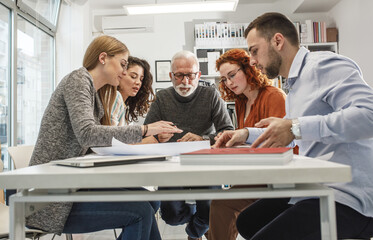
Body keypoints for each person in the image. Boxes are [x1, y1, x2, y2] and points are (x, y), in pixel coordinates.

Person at [214, 12, 373, 240]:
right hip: (315, 188)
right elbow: (291, 129)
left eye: (255, 50)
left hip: (349, 198)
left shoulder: (323, 65)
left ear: (278, 41)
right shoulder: (295, 86)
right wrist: (246, 133)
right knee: (247, 222)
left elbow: (369, 115)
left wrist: (295, 127)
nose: (252, 60)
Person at [27, 35, 182, 240]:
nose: (125, 72)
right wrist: (144, 130)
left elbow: (91, 139)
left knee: (150, 201)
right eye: (123, 64)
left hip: (70, 185)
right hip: (49, 198)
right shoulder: (78, 80)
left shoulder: (93, 93)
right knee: (141, 213)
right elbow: (87, 133)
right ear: (103, 58)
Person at [144, 50, 234, 240]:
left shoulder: (211, 95)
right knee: (171, 215)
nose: (185, 81)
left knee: (211, 210)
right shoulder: (162, 98)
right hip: (171, 165)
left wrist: (203, 139)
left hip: (205, 163)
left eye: (190, 75)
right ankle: (193, 214)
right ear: (171, 76)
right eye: (179, 75)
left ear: (198, 75)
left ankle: (194, 233)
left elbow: (227, 130)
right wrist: (158, 135)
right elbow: (147, 131)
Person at [207, 48, 287, 240]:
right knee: (219, 206)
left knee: (221, 205)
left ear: (249, 69)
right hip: (255, 172)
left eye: (232, 75)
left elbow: (280, 144)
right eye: (225, 79)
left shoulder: (273, 96)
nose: (229, 82)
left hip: (275, 177)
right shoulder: (241, 101)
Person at [110, 56, 158, 144]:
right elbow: (110, 139)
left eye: (141, 79)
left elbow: (126, 139)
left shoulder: (126, 108)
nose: (138, 82)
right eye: (133, 76)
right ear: (120, 75)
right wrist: (144, 142)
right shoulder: (115, 98)